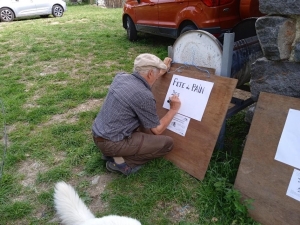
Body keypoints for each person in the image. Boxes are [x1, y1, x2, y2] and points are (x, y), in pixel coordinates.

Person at [92, 53, 181, 175]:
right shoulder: (144, 96)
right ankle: (123, 163)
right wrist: (174, 109)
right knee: (167, 143)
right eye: (157, 72)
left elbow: (143, 82)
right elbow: (157, 130)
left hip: (99, 135)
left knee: (143, 125)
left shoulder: (121, 77)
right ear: (150, 74)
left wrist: (161, 70)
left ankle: (114, 153)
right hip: (111, 143)